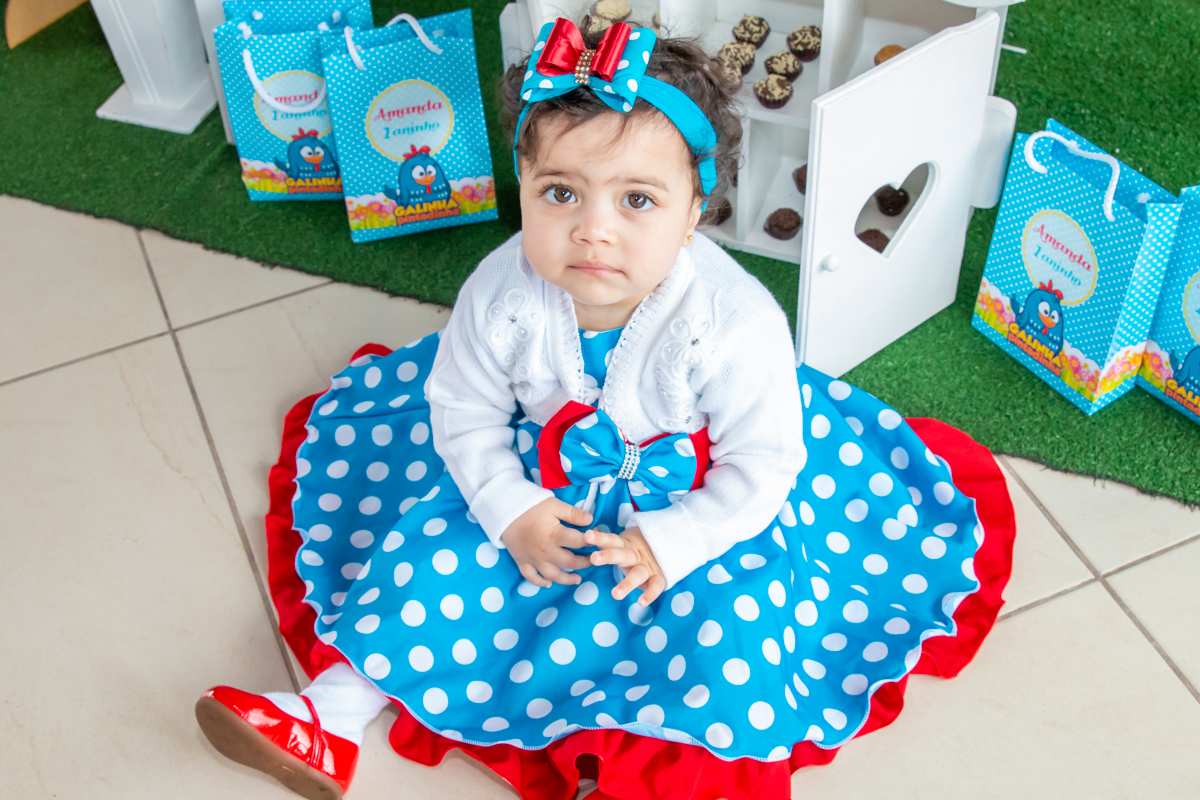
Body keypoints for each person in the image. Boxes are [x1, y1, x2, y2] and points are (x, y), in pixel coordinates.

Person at [196, 17, 1015, 800]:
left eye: (637, 201)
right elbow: (463, 409)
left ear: (699, 211)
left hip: (699, 494)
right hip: (537, 475)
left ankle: (676, 779)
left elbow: (763, 463)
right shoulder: (500, 292)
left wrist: (677, 538)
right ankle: (328, 716)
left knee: (723, 625)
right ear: (523, 186)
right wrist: (506, 505)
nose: (593, 232)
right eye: (560, 192)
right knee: (434, 557)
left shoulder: (732, 325)